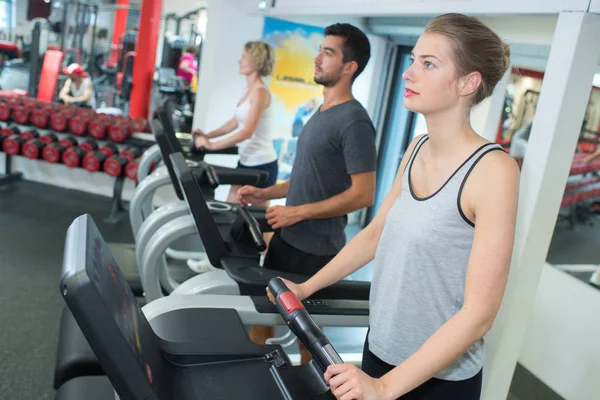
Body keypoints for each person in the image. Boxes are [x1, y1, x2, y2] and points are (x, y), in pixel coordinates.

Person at [266, 13, 520, 400]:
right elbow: (374, 234)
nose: (408, 73)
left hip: (437, 379)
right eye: (412, 59)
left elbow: (479, 314)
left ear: (468, 82)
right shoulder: (416, 148)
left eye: (428, 64)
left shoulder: (494, 170)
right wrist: (305, 287)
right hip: (379, 351)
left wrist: (386, 388)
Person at [237, 23, 378, 364]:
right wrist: (266, 192)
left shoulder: (354, 122)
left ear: (349, 67)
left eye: (328, 53)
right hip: (289, 238)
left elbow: (364, 195)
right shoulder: (322, 112)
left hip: (315, 250)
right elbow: (308, 177)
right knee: (264, 321)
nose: (317, 58)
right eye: (320, 50)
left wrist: (297, 212)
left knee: (307, 338)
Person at [193, 41, 278, 203]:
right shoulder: (248, 90)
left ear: (256, 61)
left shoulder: (260, 93)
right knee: (231, 208)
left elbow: (247, 132)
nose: (239, 61)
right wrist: (208, 135)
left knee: (261, 221)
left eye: (244, 57)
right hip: (245, 161)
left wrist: (212, 146)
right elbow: (234, 122)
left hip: (262, 164)